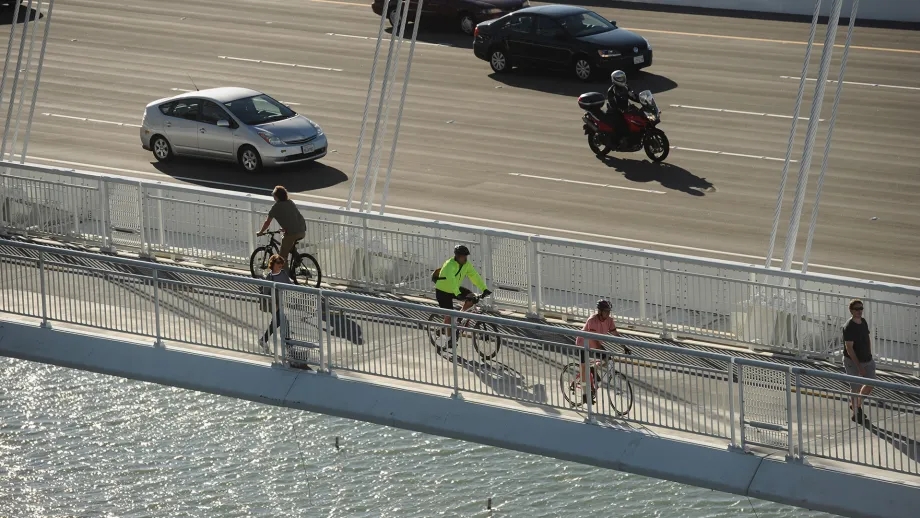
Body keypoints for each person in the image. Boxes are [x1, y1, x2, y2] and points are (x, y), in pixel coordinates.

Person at [433, 245, 491, 348]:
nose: (465, 258)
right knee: (449, 316)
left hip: (454, 289)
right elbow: (451, 280)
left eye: (466, 256)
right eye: (463, 257)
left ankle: (459, 319)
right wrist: (457, 294)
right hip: (443, 291)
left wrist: (484, 288)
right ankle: (449, 339)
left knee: (471, 297)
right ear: (457, 256)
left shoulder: (466, 265)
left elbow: (474, 276)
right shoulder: (449, 265)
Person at [576, 299, 631, 404]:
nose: (608, 313)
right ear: (600, 311)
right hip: (583, 342)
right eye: (606, 311)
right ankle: (584, 394)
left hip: (596, 343)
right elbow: (593, 339)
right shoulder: (592, 320)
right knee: (583, 367)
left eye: (609, 311)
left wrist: (624, 347)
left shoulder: (609, 320)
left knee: (607, 360)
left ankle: (593, 368)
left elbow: (616, 335)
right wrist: (602, 350)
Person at [842, 298, 876, 424]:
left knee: (870, 383)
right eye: (857, 309)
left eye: (861, 308)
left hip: (867, 359)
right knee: (855, 387)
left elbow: (867, 338)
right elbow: (849, 348)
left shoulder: (863, 322)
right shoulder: (848, 327)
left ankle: (857, 404)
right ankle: (856, 413)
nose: (859, 311)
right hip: (852, 361)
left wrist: (869, 354)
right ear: (851, 310)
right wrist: (859, 366)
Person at [258, 185, 307, 264]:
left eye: (273, 195)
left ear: (277, 197)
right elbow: (292, 217)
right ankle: (297, 259)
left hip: (292, 233)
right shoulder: (290, 202)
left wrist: (261, 232)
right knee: (287, 243)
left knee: (281, 258)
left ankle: (285, 275)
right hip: (302, 231)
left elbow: (267, 222)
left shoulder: (275, 207)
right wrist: (285, 228)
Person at [258, 254, 295, 354]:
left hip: (280, 303)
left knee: (277, 322)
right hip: (273, 304)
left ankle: (263, 340)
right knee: (285, 322)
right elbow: (266, 293)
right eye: (278, 263)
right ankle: (289, 346)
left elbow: (290, 284)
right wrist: (274, 304)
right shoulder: (270, 277)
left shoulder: (283, 273)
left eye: (282, 263)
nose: (280, 265)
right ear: (272, 264)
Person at [605, 70, 639, 149]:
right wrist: (619, 110)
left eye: (623, 78)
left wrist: (642, 101)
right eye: (620, 78)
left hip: (625, 110)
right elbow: (612, 103)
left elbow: (632, 96)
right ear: (615, 79)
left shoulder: (626, 87)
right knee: (622, 125)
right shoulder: (611, 90)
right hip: (614, 112)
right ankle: (616, 142)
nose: (622, 80)